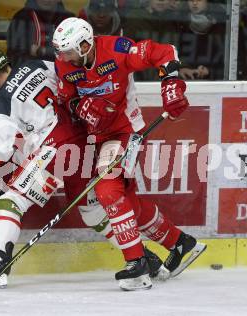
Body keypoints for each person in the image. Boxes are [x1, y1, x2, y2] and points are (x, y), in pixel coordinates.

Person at [0, 46, 166, 288]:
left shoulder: (0, 106)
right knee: (93, 211)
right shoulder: (37, 65)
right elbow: (70, 78)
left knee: (11, 200)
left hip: (55, 153)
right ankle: (146, 257)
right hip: (85, 142)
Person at [53, 17, 206, 291]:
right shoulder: (65, 64)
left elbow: (164, 52)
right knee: (127, 202)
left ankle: (137, 266)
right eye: (60, 51)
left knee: (108, 191)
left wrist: (170, 85)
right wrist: (79, 107)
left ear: (86, 44)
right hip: (96, 136)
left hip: (125, 132)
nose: (63, 56)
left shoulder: (117, 50)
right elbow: (68, 98)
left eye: (68, 50)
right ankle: (181, 243)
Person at [6, 0, 73, 67]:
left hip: (64, 73)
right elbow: (15, 57)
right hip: (32, 73)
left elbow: (75, 53)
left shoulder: (70, 20)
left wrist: (42, 51)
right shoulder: (21, 19)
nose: (46, 1)